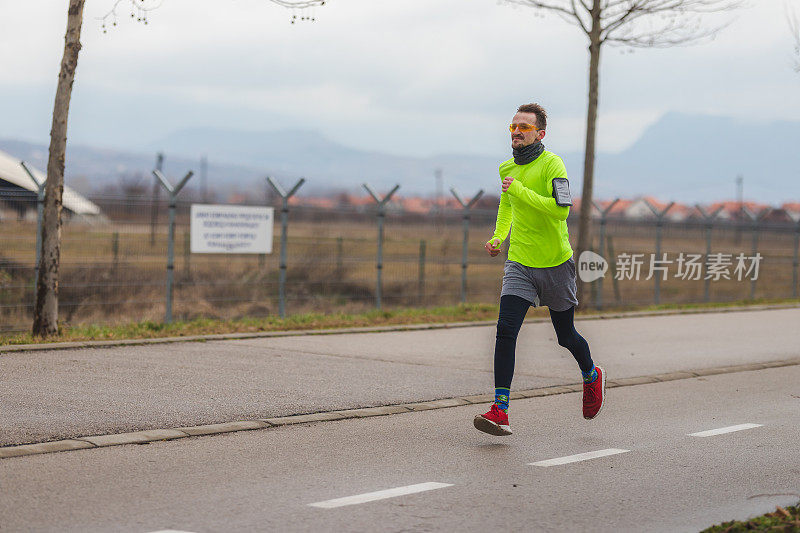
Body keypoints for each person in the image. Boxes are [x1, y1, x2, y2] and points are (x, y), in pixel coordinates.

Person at [473, 103, 605, 436]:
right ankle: (500, 409)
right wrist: (498, 238)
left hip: (556, 263)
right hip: (520, 262)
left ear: (540, 134)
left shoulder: (552, 164)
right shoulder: (506, 168)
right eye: (512, 127)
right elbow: (507, 209)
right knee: (505, 330)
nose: (516, 132)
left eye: (524, 128)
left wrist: (520, 190)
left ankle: (591, 376)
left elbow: (561, 211)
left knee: (565, 337)